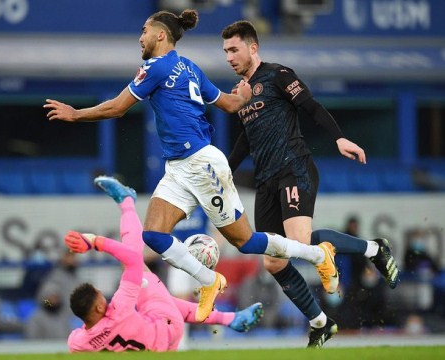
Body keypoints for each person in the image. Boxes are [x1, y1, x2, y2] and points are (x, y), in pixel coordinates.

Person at [44, 8, 338, 323]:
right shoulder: (190, 67)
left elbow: (117, 108)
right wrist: (241, 98)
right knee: (153, 236)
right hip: (179, 168)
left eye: (144, 31)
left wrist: (76, 114)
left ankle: (319, 254)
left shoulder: (154, 67)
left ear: (160, 34)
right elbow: (227, 104)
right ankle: (210, 280)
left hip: (202, 164)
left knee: (246, 242)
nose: (140, 37)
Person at [220, 20, 401, 347]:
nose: (229, 57)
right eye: (226, 51)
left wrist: (339, 138)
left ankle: (374, 249)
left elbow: (311, 106)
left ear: (253, 47)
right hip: (265, 182)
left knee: (299, 240)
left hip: (293, 168)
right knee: (273, 260)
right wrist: (224, 171)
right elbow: (247, 139)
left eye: (234, 49)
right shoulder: (242, 93)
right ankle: (321, 322)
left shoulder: (278, 74)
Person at [64, 177, 263, 352]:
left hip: (162, 348)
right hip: (167, 326)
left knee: (163, 298)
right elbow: (132, 259)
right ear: (99, 308)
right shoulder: (119, 309)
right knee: (134, 261)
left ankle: (229, 319)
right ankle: (126, 201)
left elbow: (82, 337)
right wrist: (95, 241)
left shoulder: (79, 343)